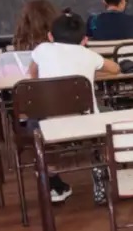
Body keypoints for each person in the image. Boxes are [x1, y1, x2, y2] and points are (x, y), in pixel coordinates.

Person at [29, 12, 121, 201]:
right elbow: (116, 69)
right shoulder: (89, 55)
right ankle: (100, 165)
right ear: (85, 40)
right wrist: (91, 71)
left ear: (50, 36)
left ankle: (50, 174)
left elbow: (32, 75)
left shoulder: (42, 49)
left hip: (48, 123)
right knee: (108, 114)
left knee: (32, 121)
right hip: (86, 121)